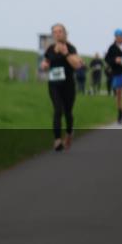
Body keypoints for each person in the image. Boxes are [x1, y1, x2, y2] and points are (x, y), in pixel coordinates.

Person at [40, 23, 84, 151]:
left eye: (60, 31)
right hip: (54, 84)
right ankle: (57, 140)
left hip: (68, 85)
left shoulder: (71, 48)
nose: (58, 33)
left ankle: (69, 133)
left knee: (68, 112)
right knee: (57, 110)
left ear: (65, 33)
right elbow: (46, 62)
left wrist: (66, 54)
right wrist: (44, 65)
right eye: (55, 32)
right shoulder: (50, 49)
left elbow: (77, 65)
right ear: (53, 35)